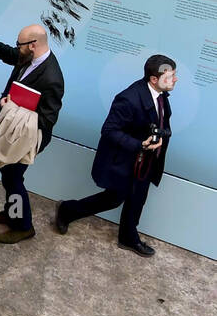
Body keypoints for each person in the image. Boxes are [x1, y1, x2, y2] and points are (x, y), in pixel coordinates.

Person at [55, 55, 176, 257]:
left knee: (138, 199)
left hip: (145, 162)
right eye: (171, 76)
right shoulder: (129, 98)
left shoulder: (160, 96)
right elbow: (109, 130)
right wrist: (140, 144)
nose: (175, 79)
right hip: (127, 161)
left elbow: (161, 123)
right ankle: (68, 210)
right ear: (154, 79)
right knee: (113, 199)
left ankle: (128, 237)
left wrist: (161, 138)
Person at [0, 24, 64, 243]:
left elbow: (47, 119)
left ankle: (22, 224)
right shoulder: (32, 57)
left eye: (20, 44)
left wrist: (11, 107)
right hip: (13, 130)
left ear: (33, 45)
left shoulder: (52, 78)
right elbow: (14, 56)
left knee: (14, 179)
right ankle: (11, 213)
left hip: (25, 138)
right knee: (9, 178)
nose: (17, 48)